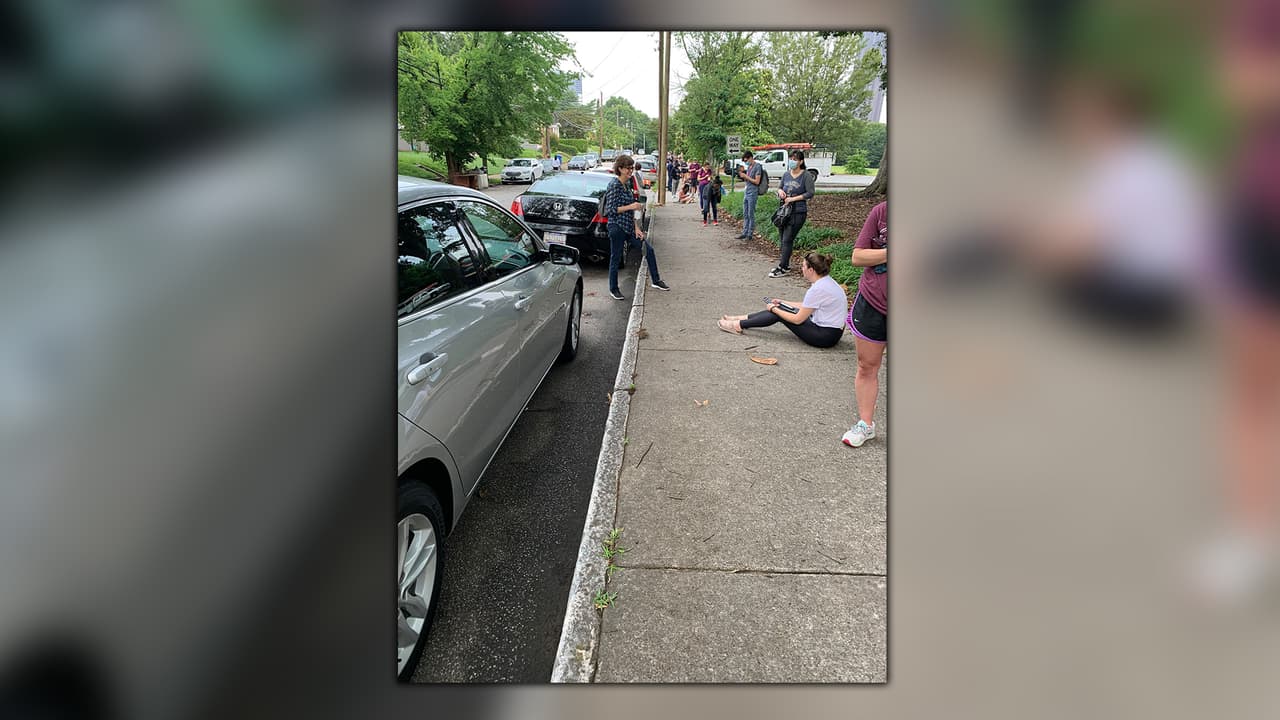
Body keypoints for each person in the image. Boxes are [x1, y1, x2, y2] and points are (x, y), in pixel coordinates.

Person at [716, 252, 846, 348]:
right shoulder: (826, 282)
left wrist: (774, 309)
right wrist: (783, 302)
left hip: (824, 337)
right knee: (780, 308)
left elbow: (798, 319)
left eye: (803, 266)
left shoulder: (818, 289)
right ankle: (741, 318)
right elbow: (807, 306)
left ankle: (738, 325)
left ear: (811, 270)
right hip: (832, 332)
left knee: (778, 313)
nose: (802, 269)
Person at [842, 200, 887, 448]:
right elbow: (858, 256)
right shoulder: (882, 212)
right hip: (873, 301)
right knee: (867, 365)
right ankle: (865, 424)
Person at [603, 154, 670, 300]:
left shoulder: (626, 185)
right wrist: (632, 206)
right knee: (616, 258)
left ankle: (656, 280)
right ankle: (613, 289)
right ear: (620, 169)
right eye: (628, 168)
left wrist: (636, 228)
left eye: (632, 168)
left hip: (629, 227)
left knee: (648, 250)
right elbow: (611, 210)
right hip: (617, 227)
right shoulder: (614, 185)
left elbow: (629, 212)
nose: (630, 171)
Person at [768, 149, 816, 278]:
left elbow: (810, 193)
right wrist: (780, 192)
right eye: (791, 159)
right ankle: (786, 264)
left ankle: (782, 267)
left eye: (795, 159)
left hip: (798, 211)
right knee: (783, 239)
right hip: (784, 211)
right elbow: (780, 187)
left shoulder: (805, 175)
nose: (792, 162)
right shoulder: (786, 174)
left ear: (801, 161)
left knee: (787, 239)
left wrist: (793, 198)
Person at [736, 150, 764, 239]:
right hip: (747, 191)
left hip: (753, 192)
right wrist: (743, 176)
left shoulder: (757, 167)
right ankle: (744, 231)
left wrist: (746, 176)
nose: (746, 162)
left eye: (746, 160)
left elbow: (757, 181)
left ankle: (750, 233)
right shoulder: (749, 167)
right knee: (745, 213)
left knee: (750, 213)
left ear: (751, 158)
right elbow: (748, 180)